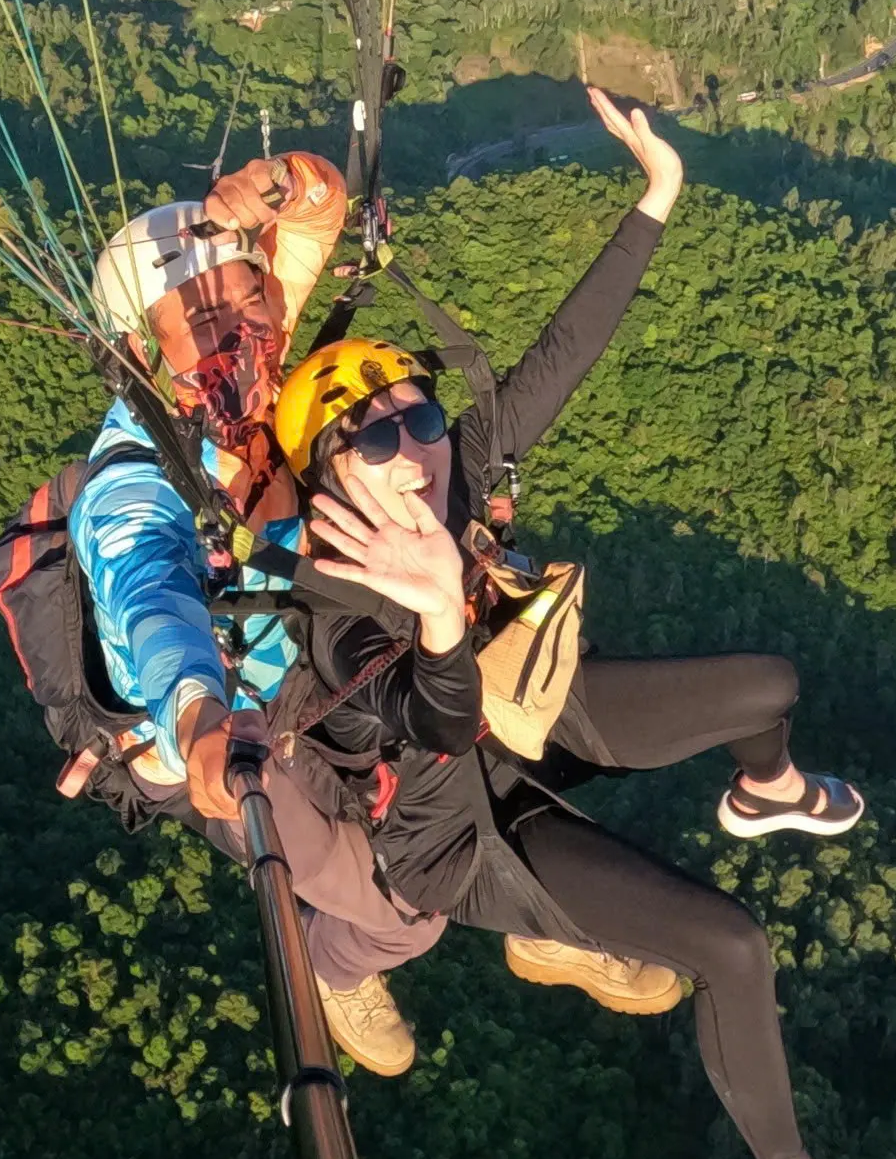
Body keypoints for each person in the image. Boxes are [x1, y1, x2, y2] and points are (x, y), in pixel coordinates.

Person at [266, 97, 896, 1159]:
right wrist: (431, 612)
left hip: (523, 722)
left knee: (769, 688)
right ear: (323, 477)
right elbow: (423, 732)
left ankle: (765, 792)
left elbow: (556, 364)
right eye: (369, 440)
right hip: (451, 832)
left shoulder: (448, 473)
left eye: (415, 418)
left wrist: (654, 202)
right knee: (730, 948)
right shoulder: (330, 607)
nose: (409, 448)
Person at [71, 140, 678, 1076]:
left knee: (476, 729)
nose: (244, 318)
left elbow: (316, 216)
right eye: (208, 314)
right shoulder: (135, 482)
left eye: (248, 293)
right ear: (143, 347)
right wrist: (195, 713)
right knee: (405, 909)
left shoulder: (245, 367)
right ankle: (339, 963)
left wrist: (277, 184)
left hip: (317, 659)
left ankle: (542, 920)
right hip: (237, 731)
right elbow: (151, 599)